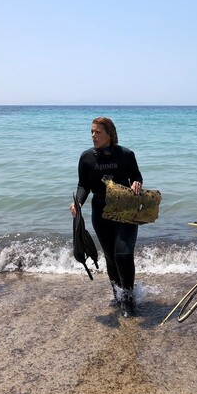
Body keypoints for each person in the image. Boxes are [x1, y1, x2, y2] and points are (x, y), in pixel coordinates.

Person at [70, 117, 143, 317]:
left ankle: (128, 299)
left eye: (98, 132)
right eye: (92, 132)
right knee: (111, 258)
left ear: (109, 134)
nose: (93, 135)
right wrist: (79, 202)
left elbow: (136, 176)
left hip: (125, 209)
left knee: (123, 254)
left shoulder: (126, 154)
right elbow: (83, 185)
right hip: (100, 212)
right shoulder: (86, 158)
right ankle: (118, 295)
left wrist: (136, 183)